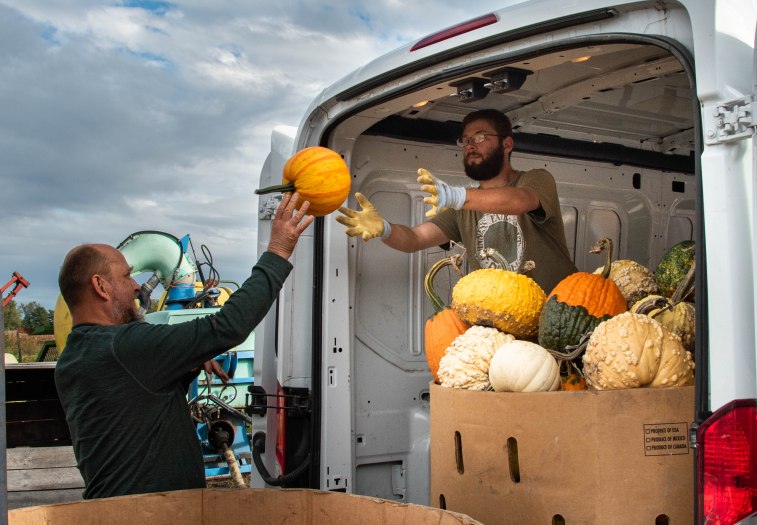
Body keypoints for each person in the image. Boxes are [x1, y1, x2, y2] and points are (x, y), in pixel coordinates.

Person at [55, 192, 313, 499]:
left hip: (117, 511)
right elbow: (228, 326)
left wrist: (184, 362)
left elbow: (138, 402)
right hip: (146, 517)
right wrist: (278, 252)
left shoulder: (76, 356)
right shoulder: (123, 348)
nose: (136, 286)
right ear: (101, 286)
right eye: (126, 276)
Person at [336, 108, 575, 294]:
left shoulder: (536, 179)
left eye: (480, 137)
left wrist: (457, 196)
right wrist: (385, 229)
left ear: (507, 144)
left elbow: (520, 201)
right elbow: (414, 239)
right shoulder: (462, 209)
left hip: (562, 319)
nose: (470, 144)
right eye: (466, 139)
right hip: (509, 326)